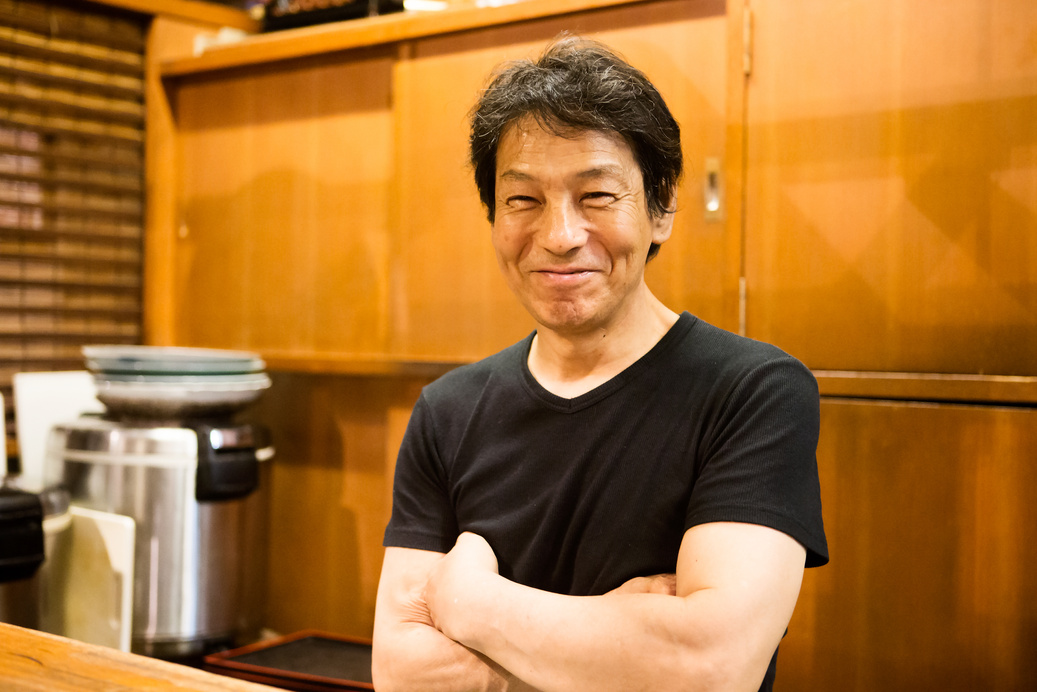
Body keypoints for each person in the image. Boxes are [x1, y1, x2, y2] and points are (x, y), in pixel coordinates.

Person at [372, 35, 828, 692]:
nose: (558, 236)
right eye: (523, 200)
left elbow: (708, 669)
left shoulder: (752, 392)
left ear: (661, 207)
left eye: (596, 196)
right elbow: (400, 672)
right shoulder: (446, 411)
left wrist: (470, 602)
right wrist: (614, 642)